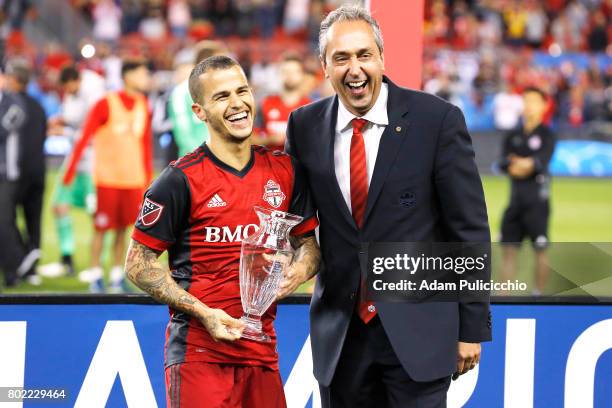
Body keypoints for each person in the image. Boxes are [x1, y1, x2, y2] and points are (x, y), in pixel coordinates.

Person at [284, 5, 491, 407]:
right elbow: (296, 221)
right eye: (341, 58)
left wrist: (471, 327)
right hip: (341, 339)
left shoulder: (437, 120)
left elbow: (469, 230)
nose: (354, 68)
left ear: (381, 58)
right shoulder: (304, 126)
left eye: (364, 55)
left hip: (421, 332)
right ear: (324, 67)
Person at [125, 56, 320, 408]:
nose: (237, 104)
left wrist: (299, 271)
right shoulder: (178, 180)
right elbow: (138, 264)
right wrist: (203, 312)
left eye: (242, 91)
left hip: (262, 352)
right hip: (200, 353)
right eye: (221, 96)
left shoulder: (285, 171)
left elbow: (309, 245)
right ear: (199, 112)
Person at [63, 59, 153, 293]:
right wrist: (71, 170)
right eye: (142, 72)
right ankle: (95, 275)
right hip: (107, 179)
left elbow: (146, 145)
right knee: (101, 229)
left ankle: (115, 276)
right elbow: (85, 136)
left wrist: (147, 178)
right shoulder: (106, 103)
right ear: (128, 76)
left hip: (132, 179)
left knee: (125, 229)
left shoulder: (144, 104)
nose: (146, 77)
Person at [39, 65, 106, 278]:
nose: (67, 92)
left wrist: (64, 130)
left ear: (76, 81)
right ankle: (67, 259)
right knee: (58, 206)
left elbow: (94, 131)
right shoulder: (73, 95)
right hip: (75, 161)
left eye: (69, 88)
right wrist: (62, 121)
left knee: (96, 213)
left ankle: (96, 266)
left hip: (92, 163)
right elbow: (76, 122)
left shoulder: (95, 92)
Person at [499, 86, 556, 295]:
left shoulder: (547, 134)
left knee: (540, 250)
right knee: (508, 251)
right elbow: (506, 165)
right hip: (515, 202)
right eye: (526, 101)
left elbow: (539, 163)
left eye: (533, 101)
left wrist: (522, 164)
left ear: (543, 106)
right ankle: (504, 296)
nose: (529, 105)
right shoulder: (513, 134)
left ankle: (538, 294)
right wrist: (525, 165)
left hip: (537, 203)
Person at [4, 58, 47, 285]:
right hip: (38, 170)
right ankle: (31, 268)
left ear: (15, 79)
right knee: (34, 220)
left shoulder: (11, 105)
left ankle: (19, 262)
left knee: (7, 220)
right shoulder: (38, 106)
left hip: (16, 173)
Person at [167, 40, 227, 157]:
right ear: (207, 62)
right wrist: (206, 158)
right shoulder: (182, 92)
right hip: (196, 163)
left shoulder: (222, 91)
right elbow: (183, 133)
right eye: (222, 63)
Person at [251, 52, 311, 151]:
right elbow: (251, 138)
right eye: (285, 71)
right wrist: (270, 139)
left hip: (298, 164)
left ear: (302, 75)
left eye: (294, 72)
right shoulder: (266, 103)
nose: (290, 76)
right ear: (278, 74)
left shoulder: (310, 107)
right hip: (270, 163)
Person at [0, 68, 26, 289]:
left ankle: (12, 270)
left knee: (4, 221)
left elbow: (3, 129)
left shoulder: (14, 104)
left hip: (6, 173)